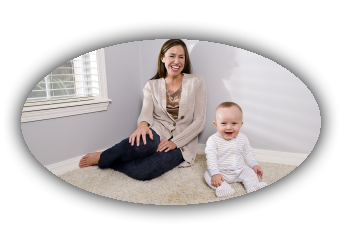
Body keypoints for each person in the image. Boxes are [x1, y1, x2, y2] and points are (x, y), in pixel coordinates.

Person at [79, 39, 207, 181]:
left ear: (185, 60)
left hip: (182, 143)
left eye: (181, 57)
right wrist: (142, 125)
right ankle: (103, 156)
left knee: (143, 171)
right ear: (162, 58)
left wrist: (174, 142)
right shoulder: (151, 85)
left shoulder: (197, 81)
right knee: (139, 145)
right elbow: (146, 112)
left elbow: (199, 121)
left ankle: (110, 160)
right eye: (172, 56)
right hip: (158, 130)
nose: (176, 61)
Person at [204, 102, 267, 197]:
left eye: (234, 123)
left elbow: (248, 152)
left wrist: (254, 165)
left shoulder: (243, 138)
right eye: (224, 123)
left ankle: (253, 186)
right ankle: (223, 187)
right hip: (221, 172)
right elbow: (211, 158)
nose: (229, 127)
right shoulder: (213, 140)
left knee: (250, 172)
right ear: (215, 124)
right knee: (207, 175)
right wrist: (215, 173)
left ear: (241, 124)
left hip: (240, 170)